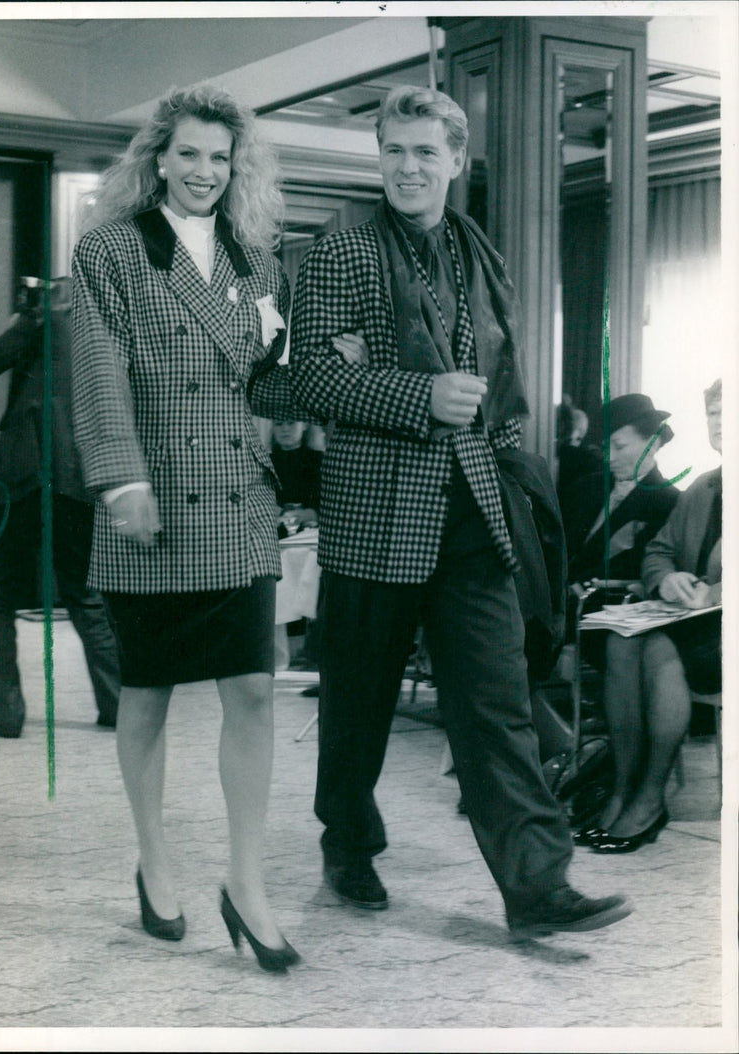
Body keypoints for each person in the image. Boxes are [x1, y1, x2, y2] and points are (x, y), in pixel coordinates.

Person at [289, 84, 630, 940]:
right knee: (358, 702)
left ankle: (537, 884)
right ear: (380, 157)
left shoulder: (479, 251)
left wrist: (507, 453)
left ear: (455, 161)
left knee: (496, 702)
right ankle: (349, 842)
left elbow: (501, 384)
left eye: (425, 153)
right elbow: (312, 380)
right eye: (395, 151)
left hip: (473, 509)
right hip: (375, 514)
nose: (408, 167)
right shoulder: (342, 250)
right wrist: (419, 394)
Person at [71, 82, 307, 972]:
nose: (205, 171)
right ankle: (155, 860)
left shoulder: (259, 260)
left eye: (221, 156)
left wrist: (304, 387)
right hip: (156, 500)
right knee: (149, 693)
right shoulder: (111, 253)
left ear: (235, 165)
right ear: (158, 158)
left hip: (237, 502)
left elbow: (265, 389)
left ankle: (246, 882)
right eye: (190, 154)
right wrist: (122, 479)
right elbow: (97, 372)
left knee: (252, 690)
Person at [0, 277, 120, 738]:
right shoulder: (104, 328)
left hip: (22, 478)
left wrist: (23, 322)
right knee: (86, 597)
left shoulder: (36, 325)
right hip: (78, 477)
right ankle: (115, 705)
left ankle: (7, 715)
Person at [578, 379, 722, 852]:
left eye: (729, 412)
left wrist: (715, 590)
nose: (719, 424)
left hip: (721, 627)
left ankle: (650, 795)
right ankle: (622, 786)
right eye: (712, 414)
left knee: (658, 647)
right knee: (622, 640)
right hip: (693, 618)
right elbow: (659, 551)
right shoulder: (705, 486)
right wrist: (666, 580)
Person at [564, 393, 680, 589]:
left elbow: (635, 567)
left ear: (652, 444)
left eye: (619, 446)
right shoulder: (584, 486)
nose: (609, 457)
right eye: (606, 447)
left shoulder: (669, 502)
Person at [270, 418, 321, 533]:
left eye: (291, 423)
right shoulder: (265, 462)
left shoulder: (319, 460)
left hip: (311, 533)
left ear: (305, 425)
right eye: (278, 424)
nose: (285, 429)